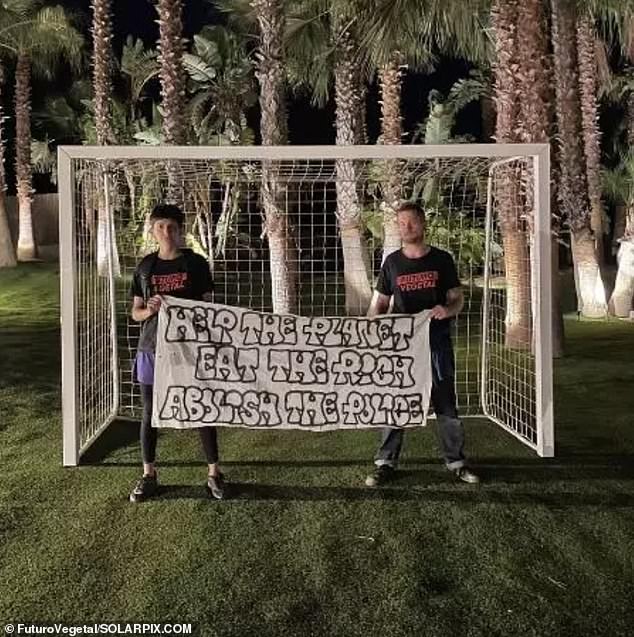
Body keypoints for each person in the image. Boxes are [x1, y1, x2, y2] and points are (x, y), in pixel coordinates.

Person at [364, 201, 480, 487]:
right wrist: (370, 328)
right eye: (401, 223)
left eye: (412, 221)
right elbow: (379, 303)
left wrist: (447, 310)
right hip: (401, 349)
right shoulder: (392, 262)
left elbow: (457, 298)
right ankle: (386, 463)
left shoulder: (441, 260)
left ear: (423, 224)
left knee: (445, 404)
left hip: (436, 345)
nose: (406, 227)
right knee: (396, 402)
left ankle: (456, 461)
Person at [128, 203, 226, 502]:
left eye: (171, 227)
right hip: (151, 349)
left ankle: (214, 473)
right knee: (149, 412)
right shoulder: (146, 267)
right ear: (153, 230)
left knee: (201, 407)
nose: (166, 232)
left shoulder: (195, 264)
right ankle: (149, 474)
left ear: (180, 230)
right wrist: (150, 310)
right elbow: (135, 313)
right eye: (160, 227)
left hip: (189, 349)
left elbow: (209, 306)